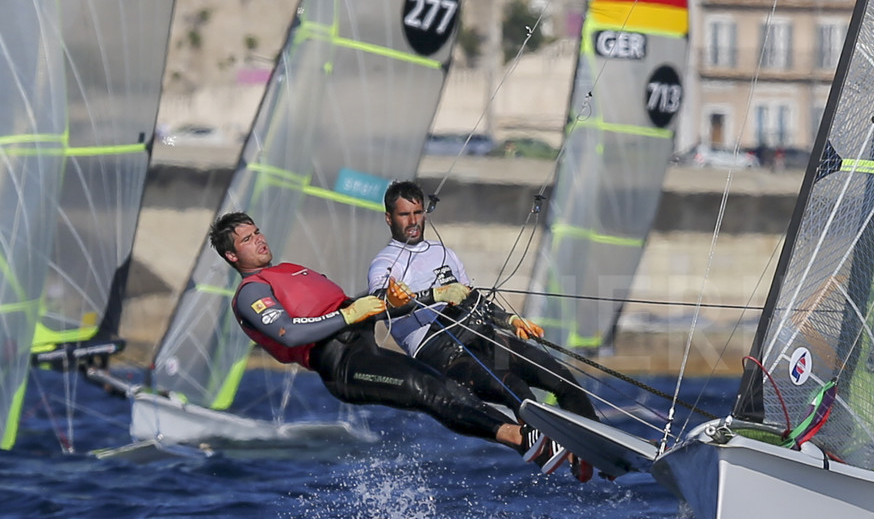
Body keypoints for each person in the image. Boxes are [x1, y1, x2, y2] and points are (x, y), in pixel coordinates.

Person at [212, 212, 535, 458]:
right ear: (232, 256)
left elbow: (366, 309)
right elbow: (288, 333)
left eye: (257, 232)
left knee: (444, 384)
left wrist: (431, 296)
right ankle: (517, 438)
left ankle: (530, 439)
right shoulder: (251, 291)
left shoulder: (291, 270)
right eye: (246, 240)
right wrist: (348, 314)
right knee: (427, 390)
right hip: (342, 365)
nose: (258, 239)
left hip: (363, 344)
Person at [366, 182, 599, 476]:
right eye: (404, 215)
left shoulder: (444, 253)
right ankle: (554, 453)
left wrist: (512, 321)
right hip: (444, 354)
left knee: (559, 374)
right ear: (389, 218)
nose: (413, 221)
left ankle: (598, 446)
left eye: (418, 212)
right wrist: (426, 297)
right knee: (514, 387)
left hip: (482, 335)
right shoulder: (386, 263)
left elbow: (473, 297)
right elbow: (377, 302)